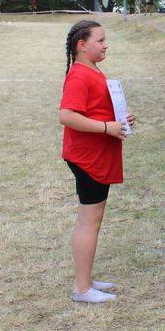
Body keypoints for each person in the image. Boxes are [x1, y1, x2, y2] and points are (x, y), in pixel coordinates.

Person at [58, 20, 136, 303]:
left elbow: (95, 109)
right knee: (89, 223)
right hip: (88, 157)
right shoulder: (80, 75)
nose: (105, 45)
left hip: (96, 155)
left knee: (90, 221)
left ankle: (86, 279)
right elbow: (67, 115)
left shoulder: (91, 70)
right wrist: (106, 127)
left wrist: (120, 119)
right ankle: (82, 288)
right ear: (82, 45)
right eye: (100, 41)